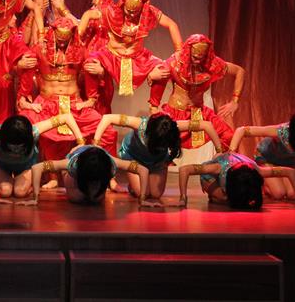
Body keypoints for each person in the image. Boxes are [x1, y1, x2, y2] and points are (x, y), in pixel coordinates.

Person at [17, 17, 118, 189]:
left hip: (74, 104)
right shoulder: (40, 48)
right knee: (25, 127)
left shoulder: (80, 49)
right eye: (59, 38)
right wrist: (24, 96)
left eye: (66, 39)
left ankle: (109, 175)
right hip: (46, 103)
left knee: (108, 131)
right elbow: (25, 67)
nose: (62, 43)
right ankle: (49, 177)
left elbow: (94, 68)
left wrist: (93, 93)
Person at [82, 0, 182, 108]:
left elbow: (171, 24)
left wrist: (179, 50)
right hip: (112, 55)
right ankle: (91, 99)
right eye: (129, 11)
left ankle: (154, 106)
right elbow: (88, 14)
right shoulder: (111, 11)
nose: (132, 15)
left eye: (136, 12)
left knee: (164, 69)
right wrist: (78, 37)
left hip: (137, 57)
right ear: (123, 4)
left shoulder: (149, 12)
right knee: (90, 61)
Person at [91, 113, 222, 201]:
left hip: (158, 161)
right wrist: (96, 144)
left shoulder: (173, 127)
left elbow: (206, 125)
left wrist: (219, 150)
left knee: (155, 194)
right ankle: (133, 185)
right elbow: (108, 118)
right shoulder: (140, 124)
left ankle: (146, 176)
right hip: (134, 157)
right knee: (142, 193)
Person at [150, 34, 245, 151]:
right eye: (195, 57)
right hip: (175, 113)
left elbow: (239, 71)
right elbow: (160, 77)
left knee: (229, 137)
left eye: (201, 58)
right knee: (158, 140)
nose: (198, 61)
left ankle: (222, 160)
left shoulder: (212, 64)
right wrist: (154, 107)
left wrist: (235, 101)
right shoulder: (175, 63)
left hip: (199, 113)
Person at [16, 145, 161, 207]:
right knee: (77, 198)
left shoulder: (112, 164)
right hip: (76, 154)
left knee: (95, 200)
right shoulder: (72, 164)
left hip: (96, 154)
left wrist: (142, 199)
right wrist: (35, 198)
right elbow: (37, 167)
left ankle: (94, 188)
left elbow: (142, 169)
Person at [178, 152, 295, 209]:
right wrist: (183, 198)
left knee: (245, 200)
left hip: (236, 173)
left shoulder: (257, 170)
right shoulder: (218, 167)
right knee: (226, 199)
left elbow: (290, 171)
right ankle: (216, 196)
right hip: (210, 176)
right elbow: (185, 169)